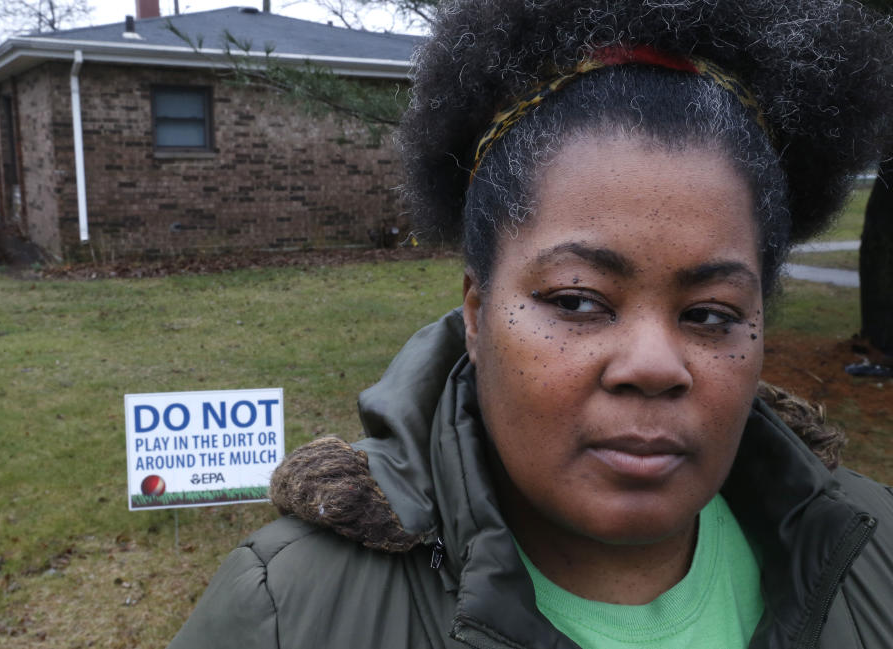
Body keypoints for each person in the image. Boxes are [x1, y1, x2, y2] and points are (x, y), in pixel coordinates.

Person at [167, 1, 893, 647]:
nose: (652, 364)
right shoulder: (287, 616)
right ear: (477, 315)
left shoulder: (874, 558)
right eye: (578, 300)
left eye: (710, 314)